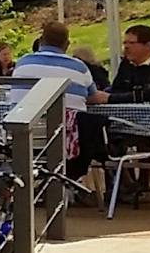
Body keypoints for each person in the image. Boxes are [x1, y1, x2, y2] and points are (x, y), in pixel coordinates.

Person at [11, 20, 105, 165]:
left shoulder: (23, 63)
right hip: (66, 143)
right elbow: (93, 96)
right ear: (66, 45)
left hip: (25, 139)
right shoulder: (79, 67)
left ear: (41, 40)